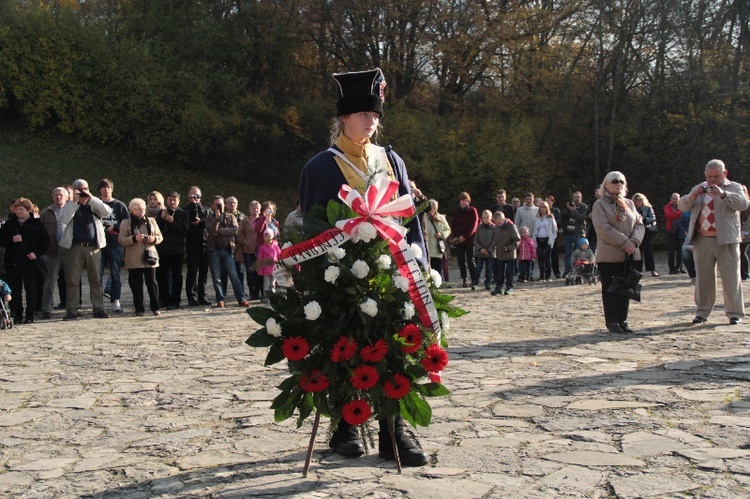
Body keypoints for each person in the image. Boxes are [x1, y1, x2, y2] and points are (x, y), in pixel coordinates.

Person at [298, 68, 427, 467]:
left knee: (394, 351)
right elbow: (312, 228)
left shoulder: (391, 160)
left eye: (375, 115)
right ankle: (345, 424)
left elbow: (407, 215)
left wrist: (418, 258)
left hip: (390, 272)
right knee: (344, 347)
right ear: (343, 117)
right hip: (341, 275)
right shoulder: (320, 167)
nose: (371, 121)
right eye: (362, 114)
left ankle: (395, 431)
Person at [679, 159, 749, 325]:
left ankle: (734, 313)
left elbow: (743, 204)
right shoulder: (700, 188)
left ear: (725, 174)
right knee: (703, 278)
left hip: (727, 240)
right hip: (703, 239)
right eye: (709, 176)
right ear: (705, 174)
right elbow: (682, 207)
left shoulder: (734, 187)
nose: (712, 180)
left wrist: (723, 194)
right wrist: (692, 195)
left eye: (716, 176)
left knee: (731, 277)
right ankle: (702, 312)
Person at [592, 172, 644, 333]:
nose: (619, 184)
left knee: (626, 288)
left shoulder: (629, 203)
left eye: (622, 181)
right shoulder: (600, 205)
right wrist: (624, 242)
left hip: (629, 254)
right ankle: (612, 321)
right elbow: (603, 229)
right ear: (606, 184)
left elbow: (639, 224)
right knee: (610, 289)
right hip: (610, 255)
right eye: (615, 181)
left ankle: (623, 319)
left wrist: (634, 242)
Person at [58, 179, 112, 320]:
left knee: (95, 279)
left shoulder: (93, 204)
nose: (83, 191)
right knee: (72, 280)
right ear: (74, 190)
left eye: (85, 188)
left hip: (93, 247)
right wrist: (75, 202)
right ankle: (72, 310)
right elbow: (64, 219)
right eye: (80, 189)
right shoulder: (70, 205)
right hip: (75, 247)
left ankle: (98, 308)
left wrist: (91, 198)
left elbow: (107, 211)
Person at [0, 198, 50, 324]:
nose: (18, 212)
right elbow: (1, 240)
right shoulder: (10, 224)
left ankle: (30, 313)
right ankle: (17, 313)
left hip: (30, 262)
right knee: (15, 289)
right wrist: (12, 239)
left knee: (31, 288)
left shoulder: (36, 224)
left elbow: (45, 241)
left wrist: (36, 253)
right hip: (13, 261)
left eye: (21, 209)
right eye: (16, 209)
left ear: (28, 210)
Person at [118, 198, 163, 316]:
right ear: (132, 210)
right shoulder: (126, 223)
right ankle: (139, 308)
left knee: (152, 282)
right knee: (136, 284)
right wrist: (134, 238)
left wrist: (153, 239)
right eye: (138, 209)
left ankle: (155, 307)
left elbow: (160, 236)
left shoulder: (151, 221)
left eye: (143, 209)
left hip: (150, 257)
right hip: (134, 258)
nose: (141, 211)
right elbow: (121, 239)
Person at [206, 195, 250, 308]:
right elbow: (211, 231)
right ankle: (220, 299)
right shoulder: (209, 218)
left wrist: (220, 231)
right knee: (217, 277)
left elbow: (235, 230)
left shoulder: (230, 216)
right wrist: (217, 219)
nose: (218, 207)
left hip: (227, 251)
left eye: (220, 204)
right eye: (216, 205)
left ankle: (241, 298)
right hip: (214, 251)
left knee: (234, 275)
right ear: (212, 206)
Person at [97, 178, 130, 313]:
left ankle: (115, 300)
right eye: (104, 187)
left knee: (115, 273)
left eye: (108, 187)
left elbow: (127, 222)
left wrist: (115, 226)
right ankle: (97, 302)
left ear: (112, 189)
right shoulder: (96, 204)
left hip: (115, 243)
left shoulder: (119, 205)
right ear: (100, 190)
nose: (106, 190)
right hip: (98, 243)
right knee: (96, 275)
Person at [156, 191, 189, 310]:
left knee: (176, 276)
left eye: (174, 200)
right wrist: (162, 218)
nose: (172, 202)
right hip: (163, 249)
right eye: (170, 199)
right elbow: (156, 229)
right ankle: (164, 299)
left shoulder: (183, 214)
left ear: (178, 201)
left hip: (177, 250)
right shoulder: (161, 213)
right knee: (161, 276)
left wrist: (172, 222)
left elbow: (184, 232)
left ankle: (175, 300)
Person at [39, 187, 69, 319]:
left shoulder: (73, 210)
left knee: (71, 280)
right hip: (52, 251)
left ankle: (72, 307)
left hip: (70, 250)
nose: (59, 197)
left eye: (61, 195)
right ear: (53, 197)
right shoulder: (46, 212)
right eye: (56, 195)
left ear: (67, 197)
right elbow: (40, 232)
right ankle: (46, 308)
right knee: (49, 281)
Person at [184, 186, 212, 306]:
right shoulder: (185, 210)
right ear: (188, 196)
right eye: (193, 195)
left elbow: (211, 223)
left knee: (204, 272)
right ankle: (192, 296)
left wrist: (201, 222)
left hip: (205, 244)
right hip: (191, 244)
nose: (195, 198)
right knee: (192, 271)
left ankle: (202, 295)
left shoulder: (206, 210)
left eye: (197, 196)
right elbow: (185, 224)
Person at [450, 192, 478, 288]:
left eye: (465, 200)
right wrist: (459, 236)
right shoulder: (457, 211)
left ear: (468, 201)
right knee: (461, 261)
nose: (464, 202)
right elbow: (453, 225)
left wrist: (465, 236)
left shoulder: (472, 211)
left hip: (470, 240)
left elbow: (473, 226)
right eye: (462, 200)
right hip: (459, 240)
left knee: (471, 260)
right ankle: (464, 279)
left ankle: (474, 279)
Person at [491, 211, 519, 296]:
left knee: (509, 272)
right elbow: (494, 239)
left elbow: (517, 240)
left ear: (503, 219)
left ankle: (509, 287)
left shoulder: (511, 227)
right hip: (499, 254)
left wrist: (509, 248)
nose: (498, 225)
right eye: (496, 223)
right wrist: (494, 245)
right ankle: (499, 287)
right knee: (500, 271)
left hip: (509, 254)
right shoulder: (496, 227)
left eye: (500, 223)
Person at [237, 200, 261, 300]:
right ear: (249, 209)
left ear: (260, 210)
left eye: (257, 208)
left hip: (260, 250)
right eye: (253, 208)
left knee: (259, 272)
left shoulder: (262, 220)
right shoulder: (245, 221)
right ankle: (252, 291)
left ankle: (258, 292)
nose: (255, 210)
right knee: (250, 271)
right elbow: (239, 233)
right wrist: (244, 241)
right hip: (248, 250)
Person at [561, 191, 588, 277]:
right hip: (568, 234)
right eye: (575, 197)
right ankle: (567, 270)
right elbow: (563, 218)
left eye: (578, 197)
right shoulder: (569, 206)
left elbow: (582, 218)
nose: (576, 199)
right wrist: (568, 209)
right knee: (568, 253)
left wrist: (574, 210)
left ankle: (579, 270)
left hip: (578, 233)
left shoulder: (584, 207)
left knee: (579, 253)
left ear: (581, 198)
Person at [423, 199, 451, 280]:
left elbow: (448, 229)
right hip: (427, 248)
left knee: (438, 268)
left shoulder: (441, 218)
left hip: (436, 249)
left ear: (435, 208)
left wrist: (441, 234)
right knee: (428, 269)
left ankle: (437, 285)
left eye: (432, 207)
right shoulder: (424, 217)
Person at [632, 193, 659, 277]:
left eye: (639, 201)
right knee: (637, 252)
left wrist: (643, 219)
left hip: (647, 232)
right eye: (635, 202)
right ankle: (638, 270)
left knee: (648, 252)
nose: (637, 203)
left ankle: (652, 269)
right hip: (636, 232)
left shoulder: (648, 208)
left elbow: (653, 218)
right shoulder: (632, 209)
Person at [532, 201, 557, 282]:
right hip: (539, 239)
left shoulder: (550, 218)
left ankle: (548, 275)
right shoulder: (536, 218)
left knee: (547, 257)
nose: (543, 209)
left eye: (544, 208)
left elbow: (554, 230)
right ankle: (541, 275)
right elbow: (534, 229)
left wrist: (552, 238)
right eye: (541, 208)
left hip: (547, 239)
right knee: (540, 258)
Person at [473, 210, 496, 290]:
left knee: (489, 268)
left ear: (491, 218)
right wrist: (480, 249)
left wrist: (489, 250)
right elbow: (475, 240)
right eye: (484, 218)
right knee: (478, 267)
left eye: (487, 218)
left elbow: (495, 240)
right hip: (480, 252)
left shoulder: (494, 227)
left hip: (490, 253)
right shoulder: (479, 227)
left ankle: (488, 282)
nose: (485, 219)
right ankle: (475, 282)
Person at [256, 228, 281, 299]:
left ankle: (273, 297)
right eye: (265, 236)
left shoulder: (275, 246)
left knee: (273, 283)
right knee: (266, 284)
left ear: (272, 236)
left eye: (269, 236)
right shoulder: (262, 248)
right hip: (265, 269)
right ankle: (266, 297)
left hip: (274, 268)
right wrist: (260, 269)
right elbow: (260, 259)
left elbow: (279, 254)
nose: (267, 238)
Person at [664, 193, 684, 274]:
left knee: (681, 250)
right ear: (671, 199)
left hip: (680, 230)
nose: (675, 200)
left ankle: (679, 267)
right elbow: (668, 215)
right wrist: (678, 214)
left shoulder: (682, 206)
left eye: (676, 198)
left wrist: (676, 215)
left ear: (679, 199)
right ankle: (671, 268)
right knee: (671, 250)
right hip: (671, 230)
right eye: (673, 198)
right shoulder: (667, 207)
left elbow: (683, 215)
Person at [545, 195, 562, 278]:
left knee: (554, 254)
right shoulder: (542, 210)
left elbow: (560, 221)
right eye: (546, 200)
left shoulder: (556, 211)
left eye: (549, 201)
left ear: (552, 202)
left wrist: (552, 220)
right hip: (544, 235)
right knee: (545, 255)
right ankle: (546, 273)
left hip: (553, 234)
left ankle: (557, 272)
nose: (548, 202)